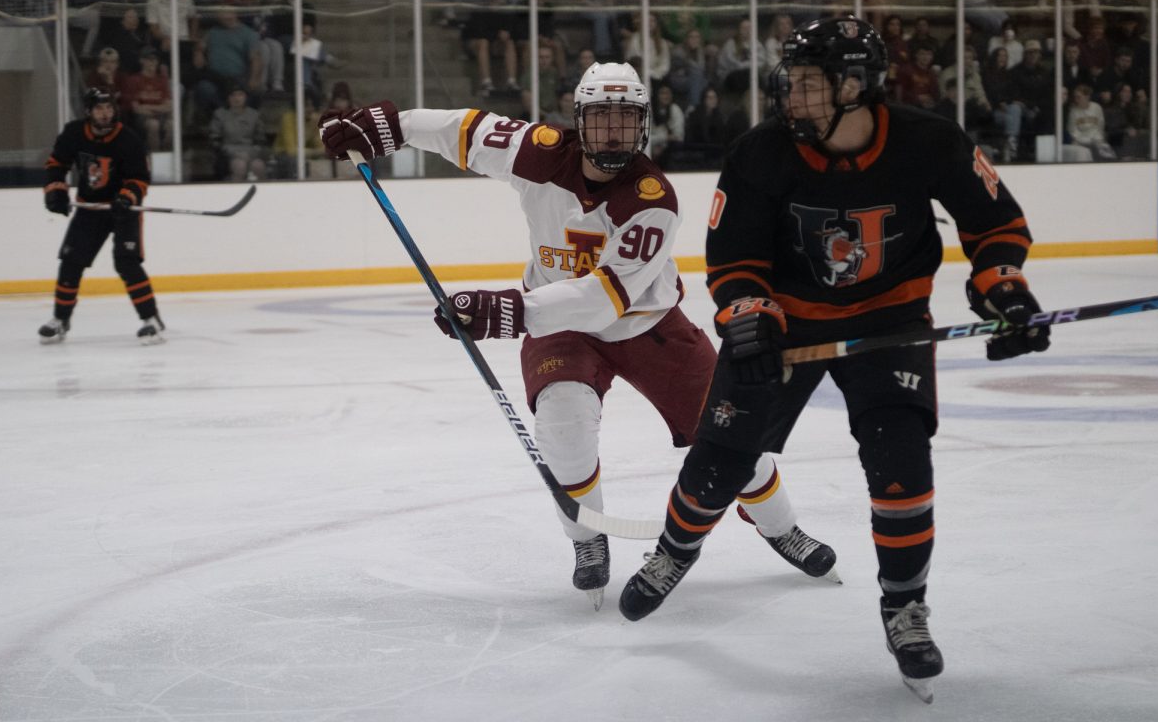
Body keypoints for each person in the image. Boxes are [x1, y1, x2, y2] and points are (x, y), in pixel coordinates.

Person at [615, 16, 1051, 703]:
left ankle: (904, 606)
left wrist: (1004, 289)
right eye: (794, 82)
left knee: (902, 466)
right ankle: (673, 552)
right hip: (786, 325)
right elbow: (734, 259)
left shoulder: (929, 141)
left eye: (812, 85)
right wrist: (749, 318)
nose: (794, 96)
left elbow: (995, 224)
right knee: (720, 462)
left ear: (857, 86)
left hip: (890, 321)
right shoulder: (763, 152)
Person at [318, 62, 839, 610]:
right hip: (560, 327)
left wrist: (509, 311)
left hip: (648, 325)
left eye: (625, 119)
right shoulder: (538, 151)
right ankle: (588, 540)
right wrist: (388, 125)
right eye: (601, 118)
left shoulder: (652, 199)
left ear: (642, 125)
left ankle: (781, 527)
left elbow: (606, 296)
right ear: (579, 121)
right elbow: (463, 129)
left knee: (736, 439)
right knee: (562, 429)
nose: (612, 131)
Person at [39, 88, 164, 345]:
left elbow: (139, 178)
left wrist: (126, 198)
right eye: (99, 109)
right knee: (71, 262)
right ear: (88, 112)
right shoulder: (74, 133)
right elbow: (56, 164)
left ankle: (151, 320)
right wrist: (56, 192)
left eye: (109, 109)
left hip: (123, 211)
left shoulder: (128, 138)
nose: (105, 114)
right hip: (90, 209)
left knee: (126, 263)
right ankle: (61, 320)